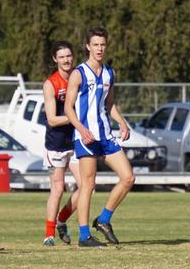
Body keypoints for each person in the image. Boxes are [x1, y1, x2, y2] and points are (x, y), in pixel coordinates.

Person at [64, 27, 135, 247]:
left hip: (105, 135)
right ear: (88, 46)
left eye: (102, 44)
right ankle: (84, 235)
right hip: (85, 137)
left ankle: (103, 220)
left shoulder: (109, 73)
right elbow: (68, 107)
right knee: (88, 184)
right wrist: (81, 129)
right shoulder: (79, 73)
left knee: (128, 177)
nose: (99, 48)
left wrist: (122, 122)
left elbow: (109, 104)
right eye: (95, 44)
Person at [42, 41, 82, 246]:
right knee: (58, 189)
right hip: (56, 143)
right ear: (55, 59)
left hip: (76, 141)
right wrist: (75, 118)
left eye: (69, 56)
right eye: (62, 57)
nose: (67, 60)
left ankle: (62, 220)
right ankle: (49, 234)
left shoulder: (79, 76)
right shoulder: (51, 84)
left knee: (86, 187)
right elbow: (51, 119)